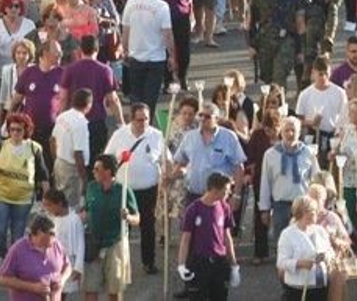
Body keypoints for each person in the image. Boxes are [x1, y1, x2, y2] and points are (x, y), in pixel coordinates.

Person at [103, 101, 165, 275]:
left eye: (146, 119)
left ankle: (149, 261)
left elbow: (165, 160)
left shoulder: (157, 135)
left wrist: (167, 176)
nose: (143, 123)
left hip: (148, 189)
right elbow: (107, 159)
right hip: (125, 190)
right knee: (123, 227)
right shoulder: (119, 135)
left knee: (148, 226)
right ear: (132, 119)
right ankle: (121, 263)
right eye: (139, 120)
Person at [0, 111, 48, 274]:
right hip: (1, 196)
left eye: (19, 130)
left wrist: (47, 198)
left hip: (23, 199)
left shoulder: (34, 148)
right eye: (12, 129)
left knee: (18, 234)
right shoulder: (1, 147)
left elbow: (43, 174)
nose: (15, 133)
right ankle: (0, 256)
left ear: (25, 130)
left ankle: (14, 262)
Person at [81, 153, 139, 301]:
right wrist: (81, 217)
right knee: (90, 287)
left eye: (96, 169)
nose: (93, 172)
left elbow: (137, 219)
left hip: (115, 243)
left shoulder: (123, 190)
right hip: (93, 243)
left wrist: (128, 217)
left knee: (114, 289)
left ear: (107, 171)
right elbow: (87, 210)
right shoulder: (91, 188)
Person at [176, 171, 239, 300]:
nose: (229, 194)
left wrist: (234, 265)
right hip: (199, 263)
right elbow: (185, 240)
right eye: (226, 190)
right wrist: (181, 264)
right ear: (215, 190)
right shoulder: (193, 210)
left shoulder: (224, 207)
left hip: (219, 262)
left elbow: (227, 238)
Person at [0, 209, 73, 299]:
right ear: (39, 232)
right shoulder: (18, 249)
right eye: (52, 234)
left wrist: (62, 280)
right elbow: (4, 279)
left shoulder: (56, 244)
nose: (55, 237)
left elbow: (68, 266)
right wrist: (33, 287)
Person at [276, 195, 333, 301]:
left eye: (315, 211)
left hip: (320, 285)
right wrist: (300, 263)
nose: (315, 213)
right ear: (302, 212)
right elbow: (281, 262)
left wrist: (326, 257)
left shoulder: (320, 231)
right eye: (312, 211)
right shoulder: (287, 234)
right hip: (298, 288)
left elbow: (330, 251)